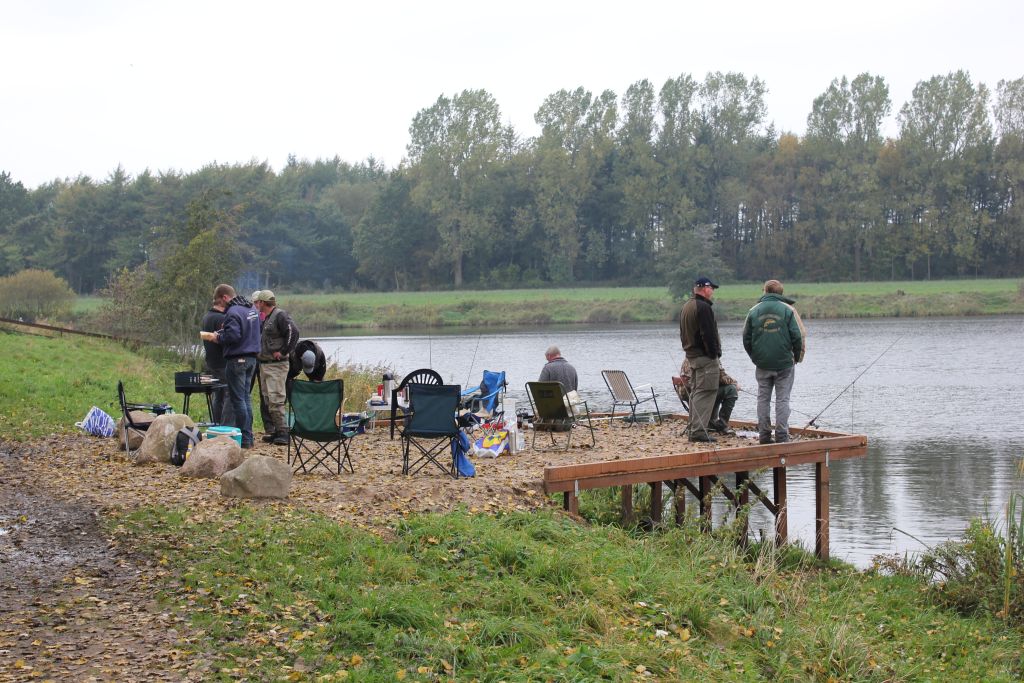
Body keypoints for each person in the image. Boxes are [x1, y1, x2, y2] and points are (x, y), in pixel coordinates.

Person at [742, 279, 806, 444]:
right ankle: (781, 436)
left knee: (763, 399)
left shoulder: (753, 310)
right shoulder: (788, 310)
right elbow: (797, 336)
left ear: (765, 291)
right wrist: (796, 357)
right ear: (781, 293)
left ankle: (764, 435)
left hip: (762, 364)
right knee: (782, 399)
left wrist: (755, 357)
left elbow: (746, 338)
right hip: (785, 364)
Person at [205, 284, 260, 449]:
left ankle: (244, 439)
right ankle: (248, 437)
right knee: (246, 399)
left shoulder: (233, 312)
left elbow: (233, 335)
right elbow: (250, 331)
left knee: (238, 401)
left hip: (237, 360)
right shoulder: (251, 308)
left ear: (225, 297)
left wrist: (217, 338)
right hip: (252, 359)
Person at [679, 276, 723, 442]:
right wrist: (714, 354)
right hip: (704, 358)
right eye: (712, 288)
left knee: (697, 392)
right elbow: (708, 334)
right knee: (706, 392)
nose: (712, 291)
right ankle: (698, 431)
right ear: (705, 288)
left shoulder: (687, 306)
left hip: (692, 356)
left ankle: (693, 427)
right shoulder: (703, 307)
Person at [253, 290, 299, 446]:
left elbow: (294, 332)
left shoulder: (280, 315)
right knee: (268, 400)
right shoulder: (267, 318)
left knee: (276, 399)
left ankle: (284, 432)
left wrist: (284, 351)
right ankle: (276, 431)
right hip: (265, 364)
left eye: (258, 302)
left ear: (263, 303)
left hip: (276, 365)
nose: (256, 305)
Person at [674, 357, 738, 435]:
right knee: (731, 390)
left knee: (713, 387)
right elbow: (721, 376)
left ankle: (708, 423)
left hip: (687, 391)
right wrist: (735, 384)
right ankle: (721, 425)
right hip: (699, 392)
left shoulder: (691, 354)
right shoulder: (710, 355)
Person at [200, 295, 233, 426]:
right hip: (222, 363)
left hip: (211, 362)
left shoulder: (206, 316)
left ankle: (215, 424)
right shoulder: (221, 318)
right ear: (223, 300)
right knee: (227, 396)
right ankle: (224, 426)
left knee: (217, 396)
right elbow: (226, 339)